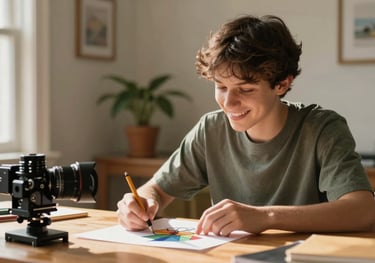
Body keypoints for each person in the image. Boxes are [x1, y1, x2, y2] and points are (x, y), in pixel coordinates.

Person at [117, 14, 375, 236]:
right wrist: (141, 203)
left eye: (246, 89)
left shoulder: (322, 129)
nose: (228, 102)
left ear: (282, 84)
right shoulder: (211, 129)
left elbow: (363, 210)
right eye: (221, 87)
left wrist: (266, 217)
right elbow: (157, 190)